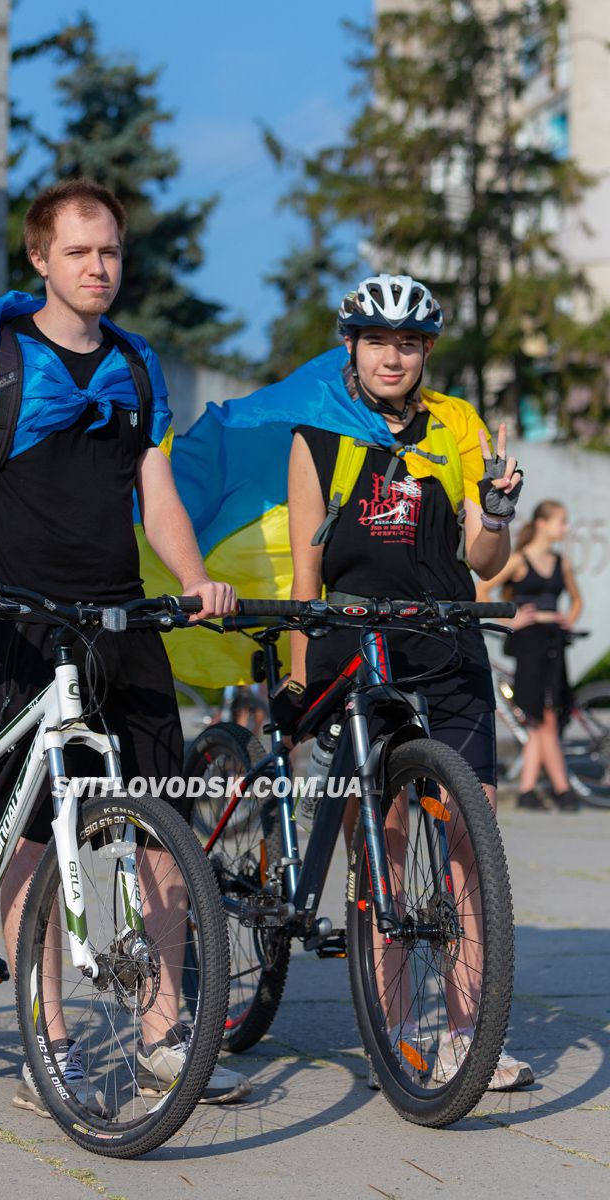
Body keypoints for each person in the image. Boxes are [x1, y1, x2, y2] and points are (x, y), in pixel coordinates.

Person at [0, 178, 251, 1113]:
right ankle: (47, 1037)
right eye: (78, 252)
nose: (98, 268)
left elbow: (161, 497)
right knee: (31, 829)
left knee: (164, 824)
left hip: (120, 610)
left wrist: (191, 584)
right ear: (40, 260)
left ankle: (162, 1030)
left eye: (108, 252)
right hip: (19, 608)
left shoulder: (138, 367)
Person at [282, 273, 534, 1091]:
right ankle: (397, 1029)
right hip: (358, 641)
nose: (396, 356)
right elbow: (303, 572)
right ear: (351, 346)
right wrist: (294, 672)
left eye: (412, 343)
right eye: (380, 341)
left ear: (426, 351)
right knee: (384, 835)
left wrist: (495, 509)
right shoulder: (317, 433)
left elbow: (485, 561)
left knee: (470, 837)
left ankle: (467, 1034)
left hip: (447, 635)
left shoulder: (455, 423)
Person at [477, 501, 583, 810]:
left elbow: (576, 600)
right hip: (529, 642)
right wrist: (511, 620)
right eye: (561, 522)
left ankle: (526, 790)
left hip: (554, 641)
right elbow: (482, 590)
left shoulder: (560, 561)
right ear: (541, 523)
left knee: (545, 716)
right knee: (542, 715)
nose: (565, 529)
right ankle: (562, 789)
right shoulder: (520, 560)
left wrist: (568, 619)